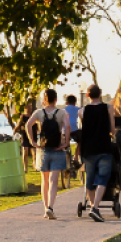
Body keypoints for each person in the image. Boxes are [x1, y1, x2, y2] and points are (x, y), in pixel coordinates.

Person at [26, 89, 70, 219]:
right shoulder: (62, 112)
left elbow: (28, 124)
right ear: (56, 99)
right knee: (53, 180)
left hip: (43, 149)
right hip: (57, 148)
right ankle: (51, 207)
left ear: (44, 100)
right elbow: (67, 126)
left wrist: (32, 141)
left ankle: (46, 209)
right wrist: (66, 142)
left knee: (44, 180)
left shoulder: (39, 113)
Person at [78, 85, 115, 223]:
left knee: (90, 179)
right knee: (103, 178)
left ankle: (94, 208)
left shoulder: (82, 111)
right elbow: (111, 129)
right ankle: (95, 207)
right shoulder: (108, 108)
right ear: (100, 94)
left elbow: (85, 128)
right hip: (104, 146)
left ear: (87, 96)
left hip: (88, 149)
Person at [14, 106, 36, 172]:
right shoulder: (23, 116)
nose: (30, 108)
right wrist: (14, 131)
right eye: (28, 106)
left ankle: (35, 166)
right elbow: (18, 125)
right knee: (25, 152)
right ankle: (25, 168)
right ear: (25, 107)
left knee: (34, 153)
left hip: (34, 136)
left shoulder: (34, 115)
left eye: (30, 106)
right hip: (25, 136)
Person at [63, 94, 82, 162]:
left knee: (65, 144)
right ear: (75, 102)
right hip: (74, 129)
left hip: (64, 129)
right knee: (81, 141)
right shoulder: (78, 109)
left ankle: (66, 157)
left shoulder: (63, 109)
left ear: (66, 102)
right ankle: (76, 157)